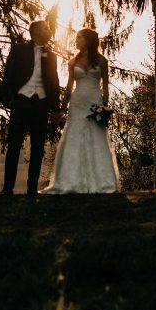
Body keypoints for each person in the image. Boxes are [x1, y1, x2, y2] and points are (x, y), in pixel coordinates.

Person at [43, 28, 119, 194]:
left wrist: (104, 106)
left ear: (88, 40)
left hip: (94, 101)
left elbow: (105, 86)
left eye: (79, 38)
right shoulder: (73, 62)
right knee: (74, 136)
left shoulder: (102, 61)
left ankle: (102, 182)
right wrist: (62, 109)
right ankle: (70, 181)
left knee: (96, 138)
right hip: (77, 103)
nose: (76, 40)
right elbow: (69, 88)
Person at [1, 20, 60, 195]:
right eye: (46, 28)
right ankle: (8, 187)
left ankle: (32, 188)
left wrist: (55, 107)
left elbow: (54, 82)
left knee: (38, 146)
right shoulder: (19, 49)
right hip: (21, 103)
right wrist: (10, 100)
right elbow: (8, 75)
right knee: (14, 145)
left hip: (41, 105)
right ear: (35, 32)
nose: (49, 30)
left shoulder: (51, 55)